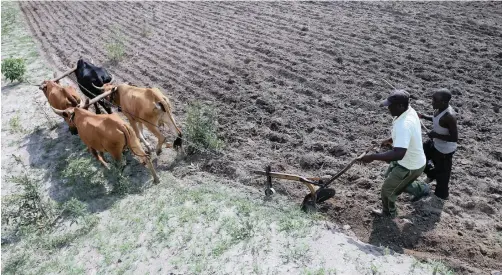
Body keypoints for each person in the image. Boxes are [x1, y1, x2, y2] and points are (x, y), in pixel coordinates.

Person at [360, 90, 430, 221]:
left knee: (387, 191)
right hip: (412, 160)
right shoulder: (409, 111)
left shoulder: (404, 125)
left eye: (390, 106)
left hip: (409, 165)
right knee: (392, 179)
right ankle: (422, 189)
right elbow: (405, 138)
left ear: (401, 106)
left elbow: (399, 154)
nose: (388, 108)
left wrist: (373, 157)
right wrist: (389, 140)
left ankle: (389, 214)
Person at [418, 89, 458, 200]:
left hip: (445, 151)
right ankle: (431, 174)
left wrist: (436, 135)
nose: (432, 102)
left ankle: (440, 199)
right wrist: (423, 116)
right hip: (435, 143)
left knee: (443, 180)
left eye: (435, 100)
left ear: (444, 102)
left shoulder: (449, 116)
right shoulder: (439, 109)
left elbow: (454, 138)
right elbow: (436, 120)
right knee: (419, 155)